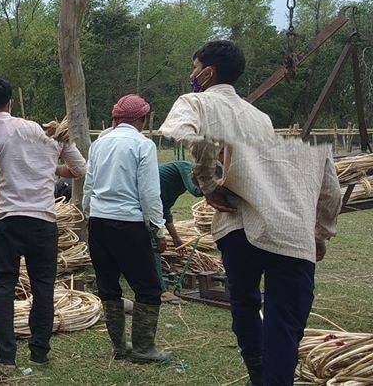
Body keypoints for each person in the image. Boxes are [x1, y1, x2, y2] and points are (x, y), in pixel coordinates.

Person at [159, 40, 341, 385]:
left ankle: (259, 373)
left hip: (240, 224)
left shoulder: (195, 101)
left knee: (244, 303)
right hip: (286, 230)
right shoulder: (260, 117)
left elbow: (186, 134)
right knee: (283, 319)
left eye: (195, 68)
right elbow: (317, 186)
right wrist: (320, 234)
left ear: (208, 72)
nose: (192, 75)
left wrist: (208, 182)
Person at [0, 79, 86, 366]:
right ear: (10, 102)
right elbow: (80, 169)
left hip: (8, 219)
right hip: (42, 222)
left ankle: (5, 353)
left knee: (4, 286)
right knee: (43, 287)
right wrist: (51, 166)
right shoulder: (50, 135)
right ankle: (40, 352)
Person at [83, 94, 171, 363]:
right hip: (129, 223)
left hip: (98, 221)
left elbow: (89, 185)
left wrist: (89, 214)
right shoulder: (143, 145)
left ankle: (120, 347)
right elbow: (148, 192)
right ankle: (144, 348)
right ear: (141, 120)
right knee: (148, 288)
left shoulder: (99, 143)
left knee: (109, 286)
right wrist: (158, 228)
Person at [155, 160, 203, 302]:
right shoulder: (185, 168)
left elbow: (165, 209)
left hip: (154, 205)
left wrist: (176, 239)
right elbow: (195, 191)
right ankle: (161, 291)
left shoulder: (176, 184)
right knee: (153, 244)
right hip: (142, 205)